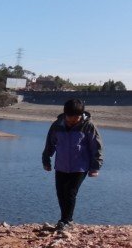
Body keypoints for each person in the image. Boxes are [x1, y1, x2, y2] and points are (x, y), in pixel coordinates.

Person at [42, 99, 103, 231]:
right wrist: (46, 159)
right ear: (65, 114)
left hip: (80, 167)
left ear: (81, 115)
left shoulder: (88, 126)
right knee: (61, 193)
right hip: (61, 165)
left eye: (76, 118)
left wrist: (95, 167)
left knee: (70, 192)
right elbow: (50, 143)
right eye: (70, 118)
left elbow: (96, 147)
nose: (72, 121)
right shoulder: (57, 125)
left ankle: (66, 221)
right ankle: (65, 220)